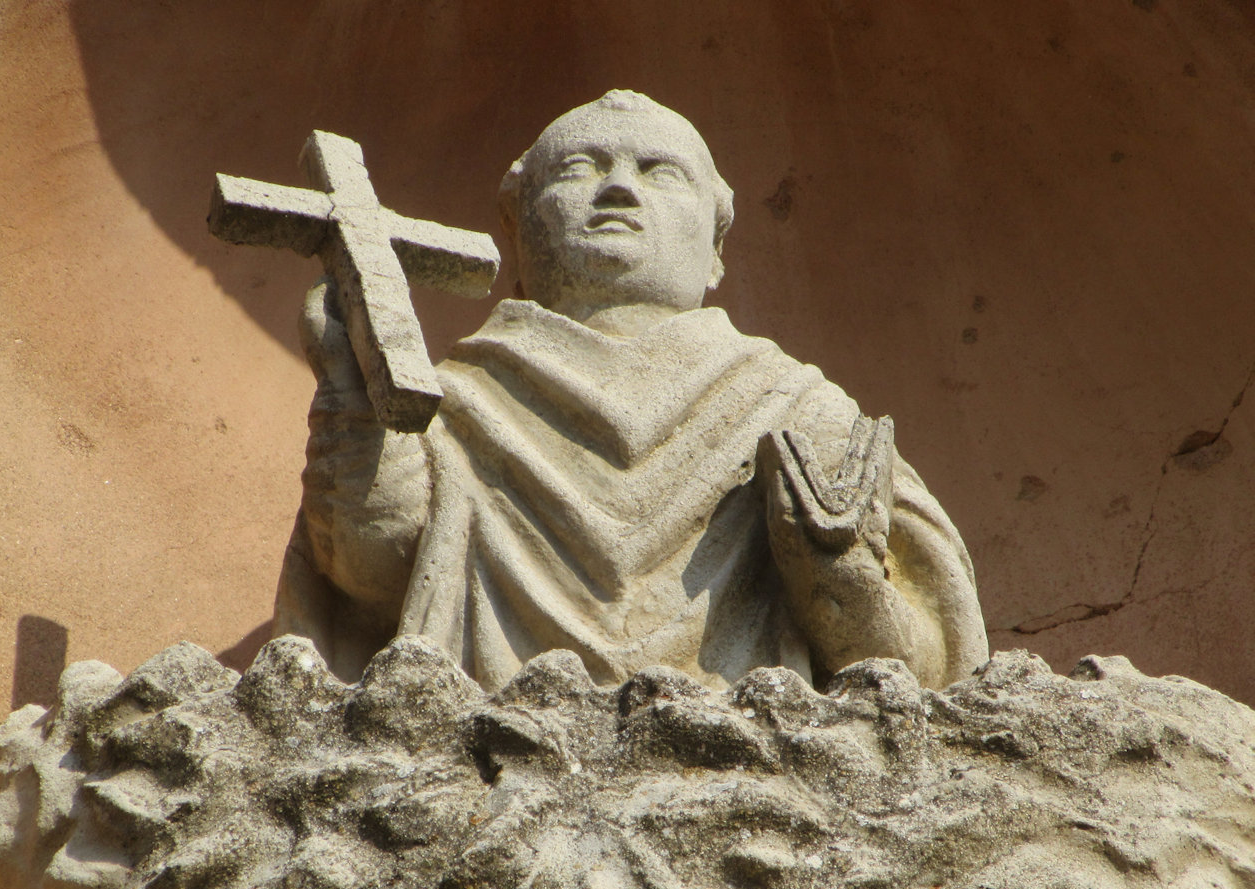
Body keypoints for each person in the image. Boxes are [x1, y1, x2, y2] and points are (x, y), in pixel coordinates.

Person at [273, 90, 988, 691]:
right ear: (518, 229)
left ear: (716, 244)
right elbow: (369, 582)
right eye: (581, 168)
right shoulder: (459, 404)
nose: (619, 188)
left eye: (660, 172)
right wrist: (352, 403)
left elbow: (938, 669)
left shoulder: (799, 411)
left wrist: (843, 590)